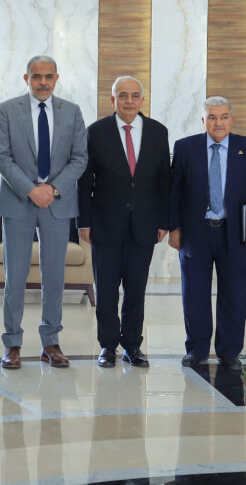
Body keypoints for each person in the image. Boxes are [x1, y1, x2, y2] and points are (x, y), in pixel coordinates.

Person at [0, 55, 88, 369]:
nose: (43, 82)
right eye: (37, 76)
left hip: (57, 203)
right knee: (15, 275)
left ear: (56, 78)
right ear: (27, 79)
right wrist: (31, 189)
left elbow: (79, 158)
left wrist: (53, 189)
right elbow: (2, 157)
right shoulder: (7, 110)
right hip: (18, 201)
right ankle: (12, 343)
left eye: (49, 76)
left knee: (54, 275)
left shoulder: (72, 112)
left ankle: (51, 342)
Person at [168, 96, 246, 370]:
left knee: (234, 294)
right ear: (203, 120)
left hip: (234, 233)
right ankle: (197, 349)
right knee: (194, 293)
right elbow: (174, 192)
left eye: (224, 116)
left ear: (232, 119)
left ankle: (229, 351)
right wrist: (174, 227)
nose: (218, 123)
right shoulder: (185, 148)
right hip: (195, 233)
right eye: (212, 117)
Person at [78, 76, 169, 368]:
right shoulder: (96, 132)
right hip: (104, 223)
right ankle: (108, 346)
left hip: (144, 224)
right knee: (106, 290)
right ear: (112, 99)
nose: (129, 101)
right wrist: (83, 222)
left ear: (142, 99)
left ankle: (132, 345)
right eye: (122, 95)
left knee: (136, 290)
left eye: (134, 95)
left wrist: (164, 221)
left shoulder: (158, 132)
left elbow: (164, 180)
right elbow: (85, 181)